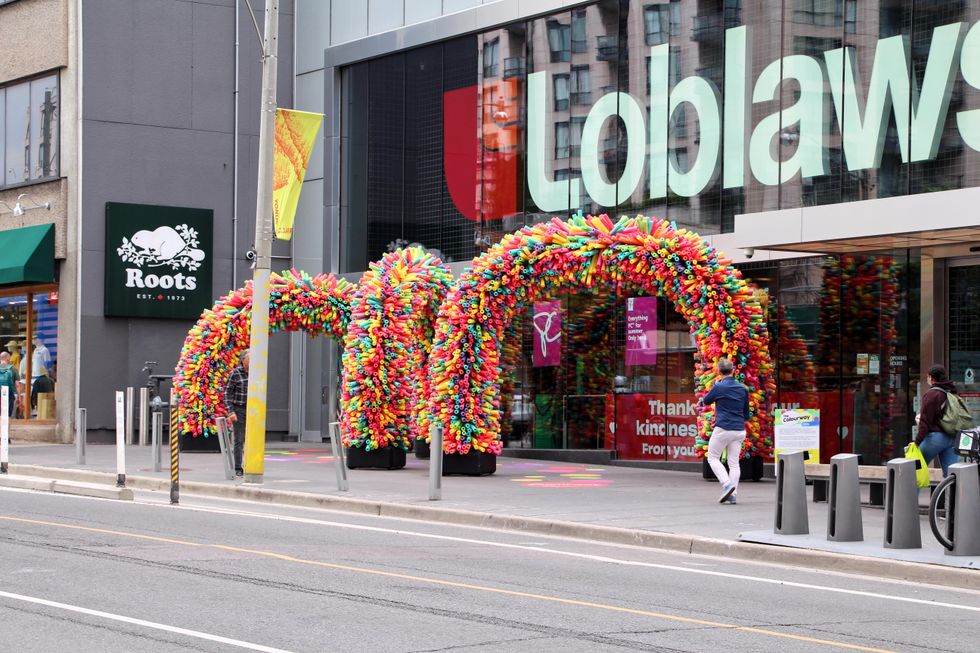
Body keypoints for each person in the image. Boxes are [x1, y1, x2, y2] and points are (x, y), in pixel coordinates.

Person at [700, 357, 750, 504]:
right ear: (733, 371)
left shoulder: (719, 386)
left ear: (719, 371)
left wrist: (715, 386)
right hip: (739, 429)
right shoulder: (743, 389)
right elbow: (746, 413)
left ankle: (727, 484)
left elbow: (706, 401)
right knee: (734, 463)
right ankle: (733, 494)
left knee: (713, 457)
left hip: (723, 428)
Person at [915, 364, 961, 477]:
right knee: (952, 475)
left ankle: (909, 495)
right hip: (951, 438)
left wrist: (917, 442)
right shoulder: (951, 392)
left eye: (928, 377)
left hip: (935, 438)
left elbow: (925, 422)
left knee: (914, 470)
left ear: (931, 377)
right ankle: (955, 494)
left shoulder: (932, 394)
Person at [224, 350, 250, 476]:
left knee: (251, 439)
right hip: (239, 409)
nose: (251, 362)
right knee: (239, 439)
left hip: (253, 410)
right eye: (249, 359)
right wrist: (230, 411)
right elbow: (227, 393)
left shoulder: (256, 373)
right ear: (242, 360)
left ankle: (250, 465)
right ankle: (238, 467)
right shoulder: (235, 373)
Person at [0, 351, 17, 417]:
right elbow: (12, 384)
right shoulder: (11, 370)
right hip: (7, 391)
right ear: (8, 359)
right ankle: (7, 418)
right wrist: (14, 392)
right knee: (7, 410)